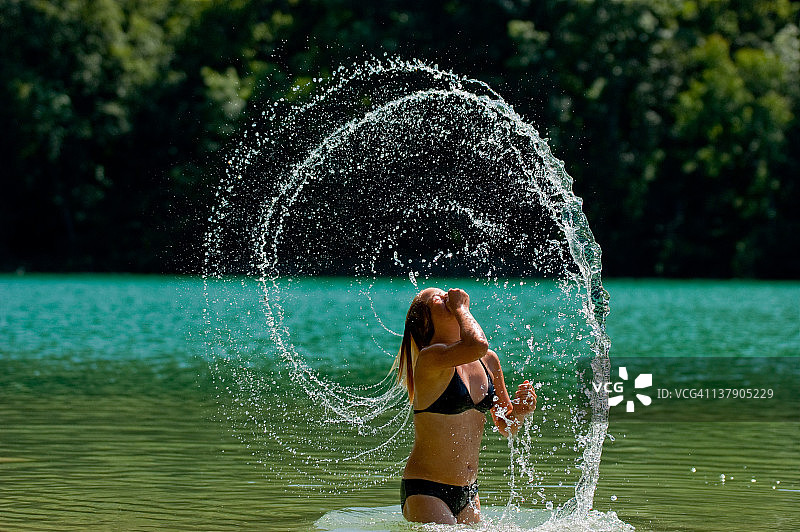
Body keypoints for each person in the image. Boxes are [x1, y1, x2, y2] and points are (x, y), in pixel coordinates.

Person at [392, 287, 537, 524]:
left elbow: (506, 425)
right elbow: (476, 344)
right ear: (426, 322)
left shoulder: (488, 360)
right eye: (438, 299)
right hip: (427, 490)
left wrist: (520, 411)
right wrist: (461, 307)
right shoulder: (430, 359)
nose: (448, 297)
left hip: (469, 493)